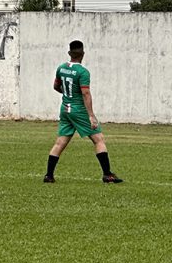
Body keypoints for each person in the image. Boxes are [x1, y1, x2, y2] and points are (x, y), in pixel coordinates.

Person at [44, 40, 123, 183]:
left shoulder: (61, 68)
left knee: (60, 142)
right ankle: (107, 174)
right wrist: (91, 116)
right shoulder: (83, 72)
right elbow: (86, 94)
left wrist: (68, 94)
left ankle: (48, 175)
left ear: (69, 53)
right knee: (98, 139)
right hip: (78, 110)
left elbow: (56, 86)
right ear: (83, 54)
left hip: (65, 109)